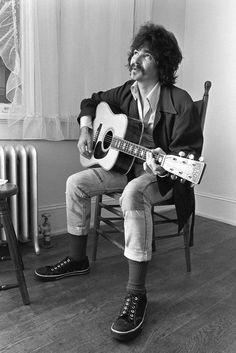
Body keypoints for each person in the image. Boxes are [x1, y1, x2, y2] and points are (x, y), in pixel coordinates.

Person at [35, 23, 203, 341]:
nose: (136, 59)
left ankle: (136, 294)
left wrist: (163, 163)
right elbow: (91, 101)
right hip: (123, 169)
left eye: (147, 54)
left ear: (163, 64)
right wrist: (87, 129)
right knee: (76, 182)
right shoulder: (125, 91)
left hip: (159, 175)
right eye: (136, 51)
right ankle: (77, 258)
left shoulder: (180, 101)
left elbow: (187, 154)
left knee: (132, 195)